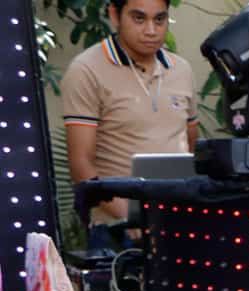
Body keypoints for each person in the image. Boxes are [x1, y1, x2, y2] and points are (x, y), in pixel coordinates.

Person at [62, 0, 198, 250]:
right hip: (117, 229)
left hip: (177, 224)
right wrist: (130, 216)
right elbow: (81, 164)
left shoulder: (182, 70)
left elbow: (191, 147)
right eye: (139, 18)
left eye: (159, 19)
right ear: (115, 15)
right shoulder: (86, 70)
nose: (151, 30)